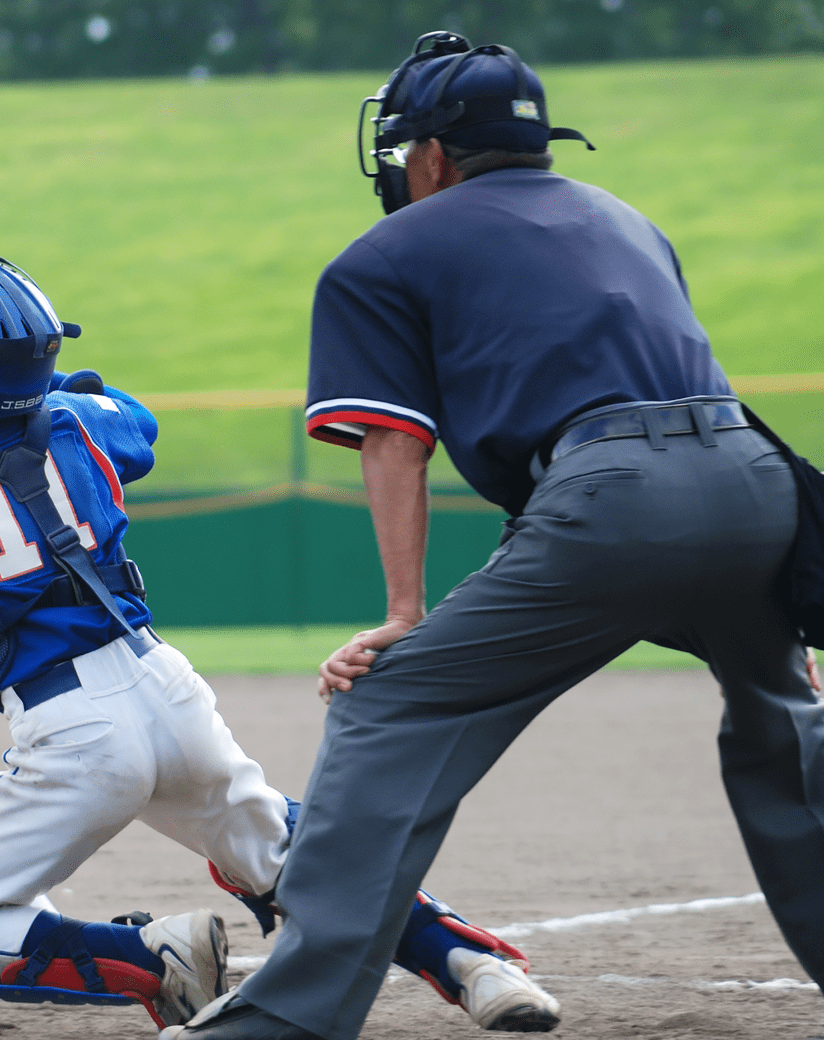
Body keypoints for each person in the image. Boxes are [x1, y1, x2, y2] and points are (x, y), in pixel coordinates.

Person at [0, 226, 561, 1031]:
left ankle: (152, 959)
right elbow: (137, 417)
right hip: (170, 694)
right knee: (297, 859)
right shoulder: (89, 422)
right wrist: (37, 382)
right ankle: (476, 967)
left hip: (72, 731)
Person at [163, 32, 824, 1040]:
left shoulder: (383, 253)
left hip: (614, 497)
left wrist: (402, 615)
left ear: (431, 155)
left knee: (390, 706)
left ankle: (287, 1019)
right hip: (753, 482)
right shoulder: (627, 220)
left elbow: (393, 441)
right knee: (781, 728)